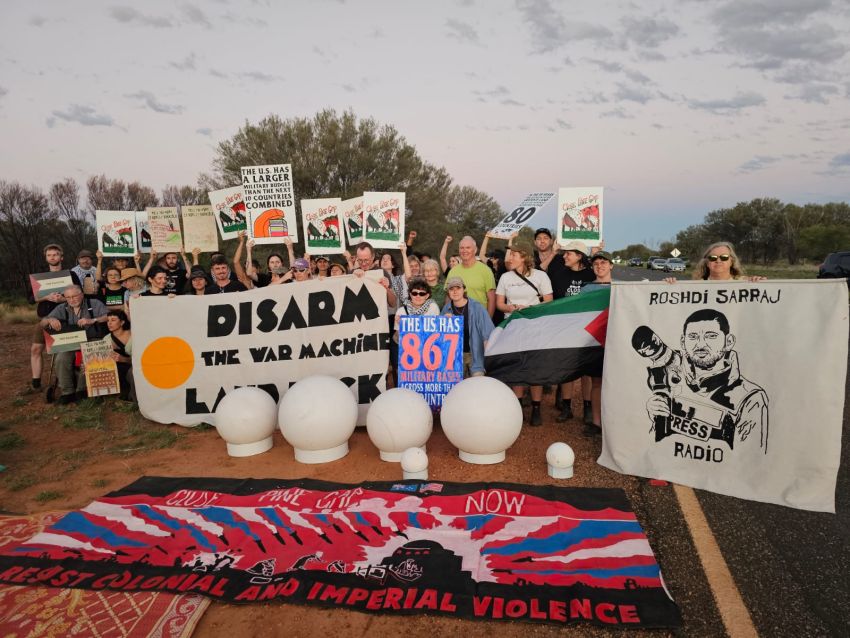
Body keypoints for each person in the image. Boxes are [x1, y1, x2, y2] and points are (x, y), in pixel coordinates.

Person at [634, 308, 769, 453]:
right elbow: (656, 441)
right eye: (692, 336)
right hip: (670, 469)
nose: (700, 345)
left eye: (711, 336)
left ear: (728, 341)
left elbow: (751, 460)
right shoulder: (669, 375)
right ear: (683, 342)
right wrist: (654, 411)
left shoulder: (749, 398)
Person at [495, 242, 554, 426]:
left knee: (534, 368)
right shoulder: (505, 277)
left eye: (514, 254)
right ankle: (518, 407)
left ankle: (536, 408)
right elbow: (499, 304)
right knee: (517, 366)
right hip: (512, 326)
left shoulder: (541, 276)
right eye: (510, 254)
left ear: (525, 257)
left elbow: (549, 302)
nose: (510, 258)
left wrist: (529, 308)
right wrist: (510, 307)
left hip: (535, 327)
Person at [552, 240, 596, 425]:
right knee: (566, 368)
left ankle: (587, 407)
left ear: (579, 256)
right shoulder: (560, 273)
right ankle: (566, 407)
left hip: (587, 329)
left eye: (568, 253)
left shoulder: (591, 274)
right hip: (565, 328)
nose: (565, 256)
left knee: (586, 371)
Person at [40, 285, 107, 404]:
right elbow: (42, 322)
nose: (72, 300)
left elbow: (108, 316)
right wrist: (50, 320)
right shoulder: (62, 307)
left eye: (75, 296)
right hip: (71, 341)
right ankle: (67, 392)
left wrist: (93, 320)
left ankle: (82, 390)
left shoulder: (94, 303)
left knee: (90, 355)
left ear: (81, 294)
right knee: (61, 358)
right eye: (68, 297)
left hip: (92, 339)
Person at [28, 244, 82, 392]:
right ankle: (36, 383)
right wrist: (46, 297)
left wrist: (63, 299)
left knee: (64, 351)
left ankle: (66, 380)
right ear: (46, 258)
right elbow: (31, 299)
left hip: (67, 317)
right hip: (45, 318)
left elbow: (80, 293)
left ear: (61, 257)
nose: (53, 257)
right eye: (49, 255)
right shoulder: (39, 278)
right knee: (36, 349)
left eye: (56, 254)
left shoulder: (71, 275)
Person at [579, 251, 616, 435]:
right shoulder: (586, 290)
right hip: (595, 342)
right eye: (596, 263)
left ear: (611, 265)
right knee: (597, 383)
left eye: (603, 262)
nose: (600, 266)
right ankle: (596, 422)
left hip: (617, 341)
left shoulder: (623, 288)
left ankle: (615, 422)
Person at [442, 277, 495, 377]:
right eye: (451, 289)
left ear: (464, 289)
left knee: (477, 386)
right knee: (456, 389)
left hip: (475, 356)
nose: (455, 291)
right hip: (455, 358)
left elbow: (488, 334)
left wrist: (488, 360)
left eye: (458, 288)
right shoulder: (446, 309)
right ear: (448, 292)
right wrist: (443, 323)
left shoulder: (477, 307)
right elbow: (439, 337)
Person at [446, 236, 496, 317]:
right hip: (457, 320)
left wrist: (488, 321)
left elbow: (492, 299)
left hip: (479, 319)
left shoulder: (485, 270)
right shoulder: (452, 271)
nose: (464, 250)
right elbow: (448, 297)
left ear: (475, 250)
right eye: (462, 248)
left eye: (468, 247)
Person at [394, 277, 440, 342]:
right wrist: (400, 325)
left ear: (427, 296)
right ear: (410, 295)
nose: (418, 296)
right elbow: (399, 338)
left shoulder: (433, 307)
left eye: (422, 294)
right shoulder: (401, 311)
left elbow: (435, 332)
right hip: (410, 347)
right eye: (414, 293)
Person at [105, 309, 134, 401]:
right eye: (108, 320)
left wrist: (124, 359)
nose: (109, 323)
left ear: (122, 322)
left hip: (136, 365)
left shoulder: (134, 336)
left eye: (113, 320)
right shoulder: (106, 339)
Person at [533, 228, 568, 299]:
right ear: (535, 242)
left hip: (558, 302)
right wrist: (553, 253)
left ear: (551, 241)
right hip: (536, 303)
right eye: (539, 239)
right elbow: (537, 273)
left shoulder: (562, 259)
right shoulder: (530, 258)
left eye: (545, 238)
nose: (542, 241)